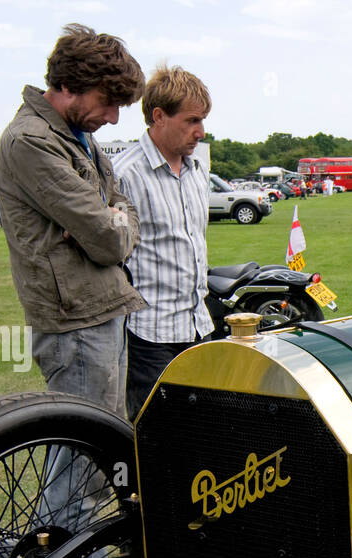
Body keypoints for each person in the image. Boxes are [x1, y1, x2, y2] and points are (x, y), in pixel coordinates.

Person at [0, 22, 145, 414]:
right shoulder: (32, 140)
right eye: (107, 101)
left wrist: (115, 217)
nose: (113, 117)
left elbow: (121, 208)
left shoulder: (78, 134)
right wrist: (112, 220)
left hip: (100, 308)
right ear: (70, 84)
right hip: (75, 322)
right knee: (78, 459)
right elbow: (108, 238)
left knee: (102, 444)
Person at [113, 63, 213, 420]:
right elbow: (112, 256)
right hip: (149, 337)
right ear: (159, 116)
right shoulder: (125, 174)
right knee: (156, 441)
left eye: (202, 121)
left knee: (201, 434)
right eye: (191, 121)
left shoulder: (197, 170)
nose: (200, 132)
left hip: (198, 327)